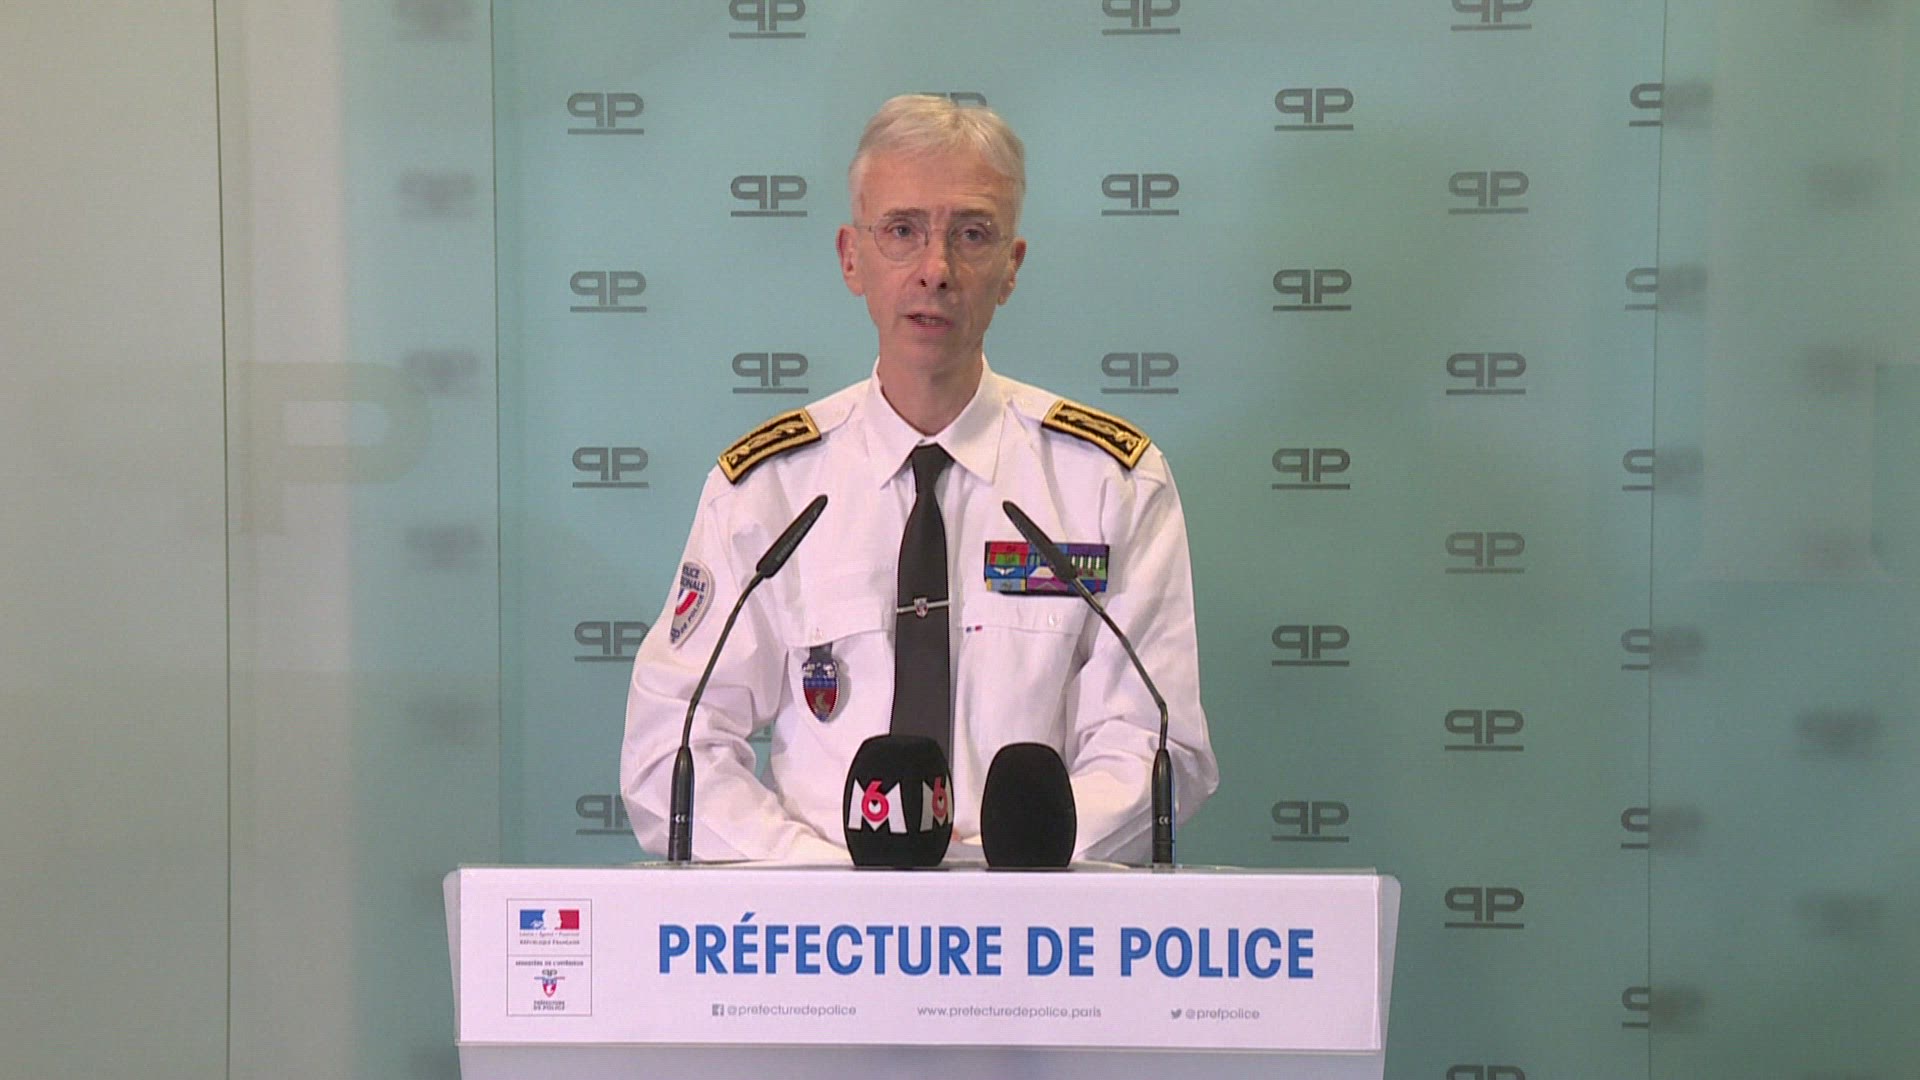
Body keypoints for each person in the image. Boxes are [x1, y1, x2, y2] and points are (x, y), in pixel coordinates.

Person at [620, 94, 1217, 863]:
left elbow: (1157, 745)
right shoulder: (768, 490)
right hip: (815, 920)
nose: (936, 270)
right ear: (851, 258)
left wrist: (997, 873)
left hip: (1037, 917)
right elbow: (671, 748)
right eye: (902, 231)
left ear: (1011, 267)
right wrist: (836, 883)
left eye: (971, 234)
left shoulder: (1109, 483)